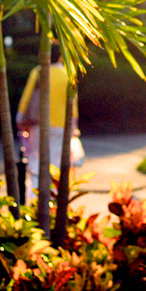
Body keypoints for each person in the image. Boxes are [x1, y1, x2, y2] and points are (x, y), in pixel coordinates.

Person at [15, 43, 85, 196]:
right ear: (60, 55)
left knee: (35, 162)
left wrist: (20, 118)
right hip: (61, 126)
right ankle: (53, 199)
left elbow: (27, 97)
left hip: (38, 125)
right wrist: (74, 125)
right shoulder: (68, 74)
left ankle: (35, 200)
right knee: (56, 165)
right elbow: (73, 104)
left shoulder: (39, 72)